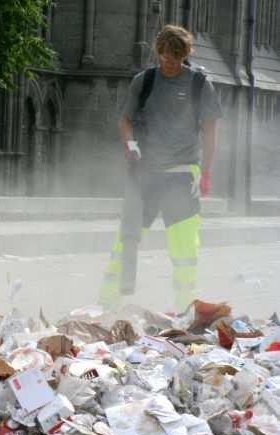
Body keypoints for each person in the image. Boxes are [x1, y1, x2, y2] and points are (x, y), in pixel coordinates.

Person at [98, 25, 222, 312]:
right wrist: (130, 145)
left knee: (184, 250)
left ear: (184, 55)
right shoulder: (145, 81)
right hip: (145, 174)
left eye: (176, 58)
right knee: (125, 242)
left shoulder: (198, 84)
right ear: (158, 52)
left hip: (181, 175)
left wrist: (205, 172)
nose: (170, 63)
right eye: (166, 57)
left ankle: (184, 308)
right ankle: (108, 304)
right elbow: (125, 121)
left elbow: (210, 130)